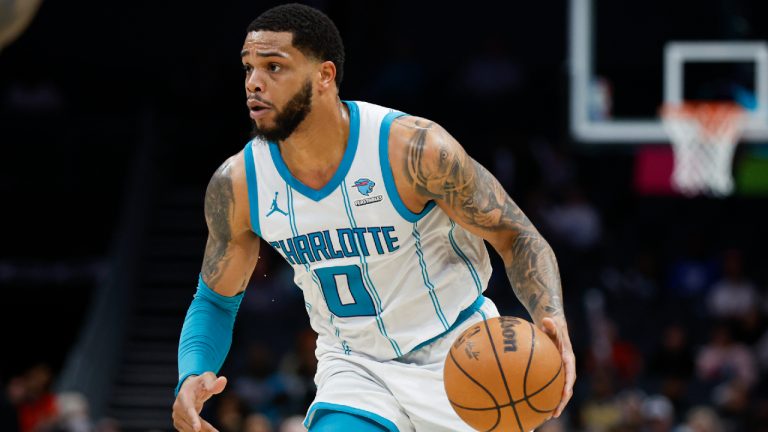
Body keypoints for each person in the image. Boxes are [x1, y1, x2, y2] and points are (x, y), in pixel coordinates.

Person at [172, 4, 575, 431]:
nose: (254, 82)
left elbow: (516, 235)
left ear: (325, 75)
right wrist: (193, 372)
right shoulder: (237, 184)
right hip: (355, 368)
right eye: (248, 67)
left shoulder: (414, 151)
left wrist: (553, 315)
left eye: (274, 66)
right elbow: (215, 298)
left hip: (459, 352)